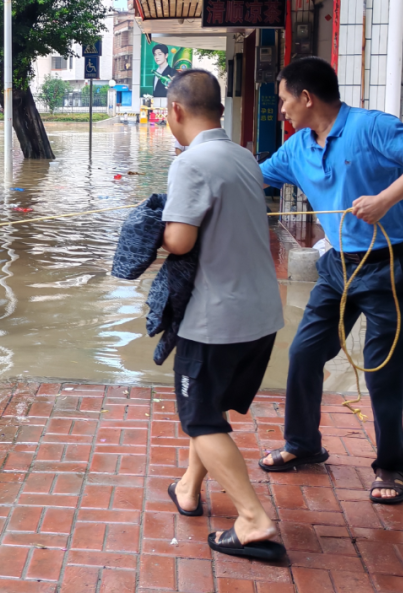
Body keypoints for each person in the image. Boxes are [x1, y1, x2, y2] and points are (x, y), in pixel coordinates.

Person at [258, 57, 403, 504]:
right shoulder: (298, 147)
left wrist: (385, 199)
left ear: (307, 98)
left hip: (389, 264)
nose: (282, 109)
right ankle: (303, 444)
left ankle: (390, 467)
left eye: (285, 99)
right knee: (304, 353)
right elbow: (255, 175)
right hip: (337, 267)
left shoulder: (371, 127)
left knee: (382, 371)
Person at [160, 70, 286, 560]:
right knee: (208, 411)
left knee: (199, 419)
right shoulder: (242, 157)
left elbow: (179, 240)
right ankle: (190, 488)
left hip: (216, 320)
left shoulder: (191, 163)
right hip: (260, 314)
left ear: (176, 111)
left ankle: (254, 519)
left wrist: (154, 225)